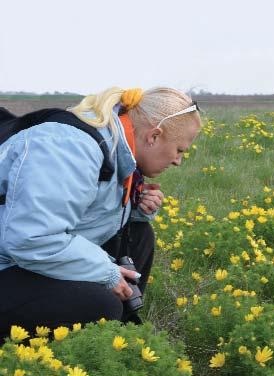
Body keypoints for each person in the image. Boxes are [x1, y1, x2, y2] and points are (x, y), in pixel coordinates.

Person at [0, 87, 201, 336]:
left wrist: (135, 207)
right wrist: (105, 272)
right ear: (154, 136)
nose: (177, 161)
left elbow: (83, 212)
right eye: (179, 150)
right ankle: (41, 361)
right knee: (99, 304)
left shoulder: (114, 145)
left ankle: (120, 335)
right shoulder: (71, 148)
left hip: (17, 260)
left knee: (139, 234)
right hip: (9, 262)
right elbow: (32, 238)